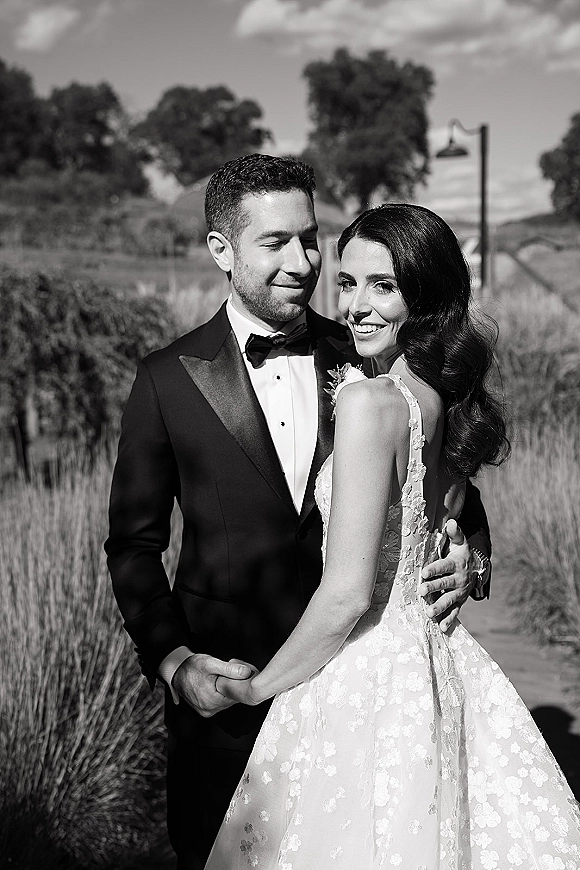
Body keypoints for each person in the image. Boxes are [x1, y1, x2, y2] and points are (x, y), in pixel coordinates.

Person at [105, 156, 492, 870]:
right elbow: (132, 545)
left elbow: (444, 478)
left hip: (360, 696)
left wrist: (471, 554)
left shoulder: (370, 351)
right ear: (222, 249)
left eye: (310, 238)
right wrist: (172, 660)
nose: (303, 261)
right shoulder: (164, 379)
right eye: (275, 242)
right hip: (227, 698)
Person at [206, 203, 580, 869]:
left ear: (427, 297)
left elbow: (349, 595)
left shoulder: (367, 399)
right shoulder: (437, 396)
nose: (355, 305)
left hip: (362, 663)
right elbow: (426, 504)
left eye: (383, 285)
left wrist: (259, 689)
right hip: (433, 658)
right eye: (347, 283)